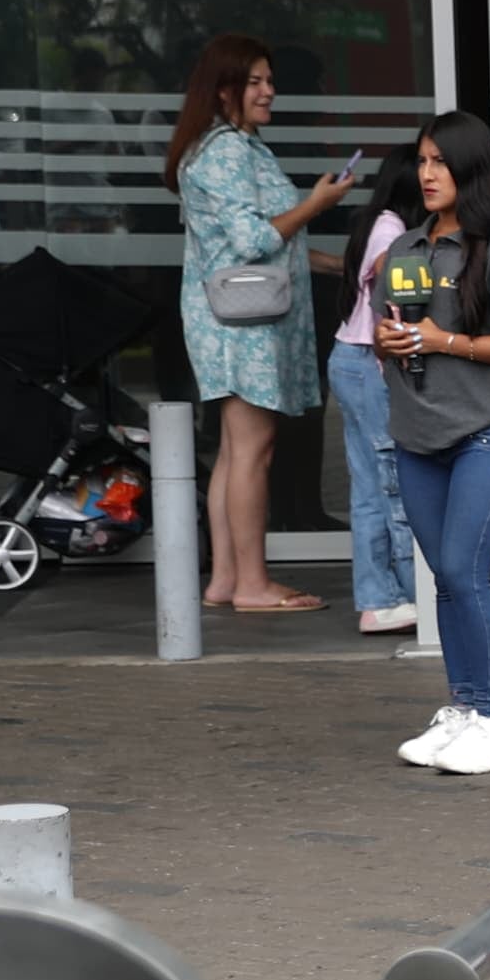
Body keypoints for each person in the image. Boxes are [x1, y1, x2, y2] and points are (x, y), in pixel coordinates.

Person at [371, 110, 490, 775]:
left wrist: (448, 342)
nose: (425, 173)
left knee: (468, 575)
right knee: (445, 580)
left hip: (484, 435)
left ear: (470, 170)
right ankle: (466, 706)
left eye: (440, 162)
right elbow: (393, 334)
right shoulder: (403, 250)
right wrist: (390, 343)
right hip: (417, 437)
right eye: (421, 161)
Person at [169, 32, 353, 614]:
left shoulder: (235, 147)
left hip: (236, 317)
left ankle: (227, 579)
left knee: (235, 449)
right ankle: (252, 583)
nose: (269, 91)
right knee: (253, 449)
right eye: (256, 82)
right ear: (224, 90)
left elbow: (274, 244)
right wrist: (318, 205)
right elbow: (254, 240)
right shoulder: (224, 152)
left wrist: (337, 265)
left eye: (270, 80)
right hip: (240, 326)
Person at [326, 142, 423, 637]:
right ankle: (415, 595)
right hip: (369, 361)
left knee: (369, 488)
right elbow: (390, 283)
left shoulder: (375, 219)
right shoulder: (392, 229)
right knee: (395, 483)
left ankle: (377, 600)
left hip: (349, 358)